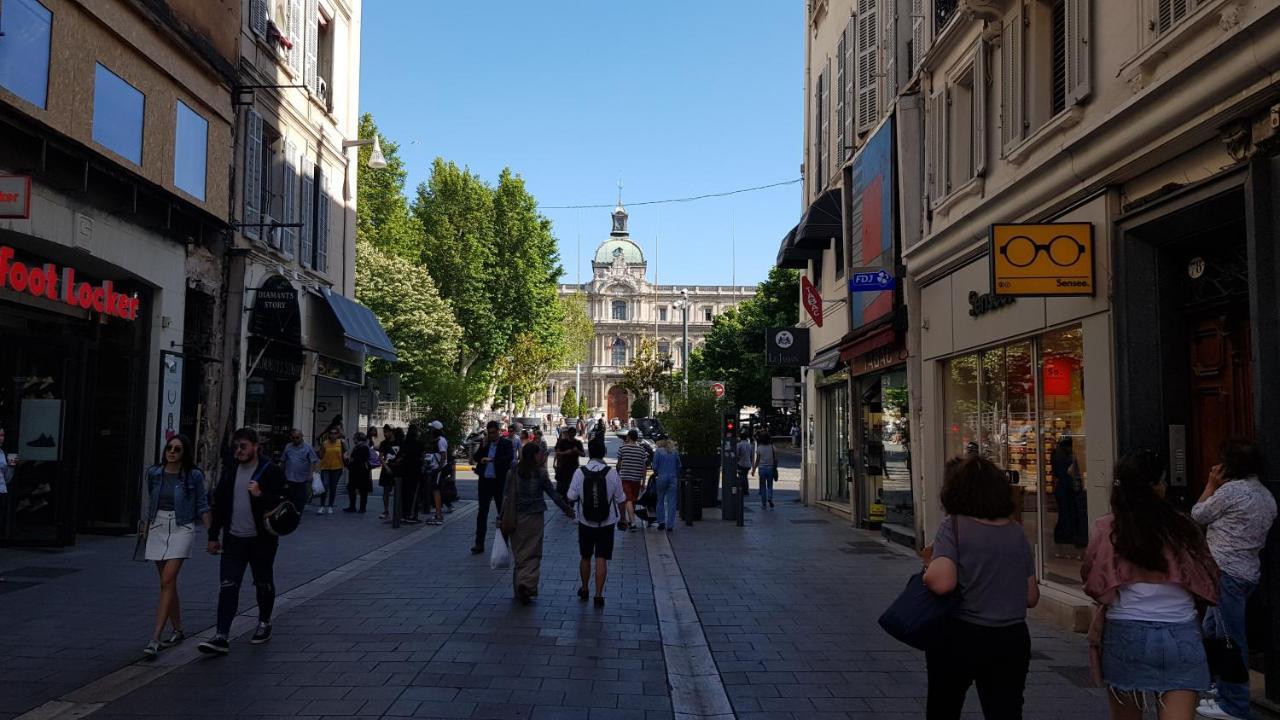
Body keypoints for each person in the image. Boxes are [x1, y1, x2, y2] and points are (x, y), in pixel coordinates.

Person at [1081, 449, 1219, 720]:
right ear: (1156, 486)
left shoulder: (1108, 528)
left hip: (1126, 630)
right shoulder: (1182, 528)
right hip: (1181, 631)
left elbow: (1094, 581)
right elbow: (1209, 578)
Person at [921, 456, 1039, 719]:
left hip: (961, 634)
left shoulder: (953, 527)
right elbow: (1031, 596)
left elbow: (942, 582)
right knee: (1006, 711)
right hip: (1011, 638)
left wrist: (929, 569)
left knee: (944, 708)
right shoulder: (1016, 532)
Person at [1193, 440, 1276, 720]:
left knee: (1230, 637)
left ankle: (1234, 704)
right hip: (1247, 572)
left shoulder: (1230, 492)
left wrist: (1210, 484)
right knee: (1214, 630)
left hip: (1225, 573)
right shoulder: (1265, 495)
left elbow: (1198, 513)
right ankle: (1220, 686)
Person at [199, 428, 288, 655]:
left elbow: (283, 504)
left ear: (255, 446)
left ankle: (264, 622)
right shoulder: (230, 471)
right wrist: (212, 536)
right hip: (234, 539)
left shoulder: (270, 471)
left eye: (243, 446)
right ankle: (221, 635)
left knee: (262, 582)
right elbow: (219, 505)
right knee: (228, 586)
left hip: (262, 539)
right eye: (236, 446)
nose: (238, 451)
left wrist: (260, 495)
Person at [140, 434, 210, 657]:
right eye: (169, 448)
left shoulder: (193, 476)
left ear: (184, 453)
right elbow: (151, 500)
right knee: (167, 584)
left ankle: (155, 638)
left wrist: (213, 535)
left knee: (167, 580)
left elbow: (202, 504)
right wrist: (147, 525)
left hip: (182, 527)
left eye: (177, 449)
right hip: (158, 525)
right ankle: (178, 629)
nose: (171, 452)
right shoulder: (154, 473)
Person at [507, 443, 574, 603]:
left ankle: (519, 586)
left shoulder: (514, 471)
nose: (542, 456)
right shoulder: (541, 473)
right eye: (540, 454)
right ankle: (526, 584)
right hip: (535, 516)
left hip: (516, 516)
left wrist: (502, 517)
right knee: (533, 551)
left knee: (519, 551)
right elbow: (554, 494)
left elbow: (506, 496)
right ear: (534, 455)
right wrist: (567, 509)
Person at [568, 438, 627, 606]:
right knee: (601, 557)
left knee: (585, 556)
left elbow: (571, 497)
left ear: (588, 453)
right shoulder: (612, 473)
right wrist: (623, 519)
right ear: (604, 453)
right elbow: (621, 499)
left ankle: (585, 588)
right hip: (607, 522)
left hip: (585, 522)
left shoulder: (580, 472)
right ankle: (599, 594)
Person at [472, 420, 515, 554]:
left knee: (502, 513)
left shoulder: (506, 444)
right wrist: (483, 446)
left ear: (498, 431)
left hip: (499, 482)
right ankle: (479, 543)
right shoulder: (485, 443)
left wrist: (491, 460)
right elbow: (476, 457)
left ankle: (503, 542)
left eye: (493, 433)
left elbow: (508, 458)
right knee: (482, 513)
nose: (491, 436)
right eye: (489, 433)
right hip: (485, 482)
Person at [1051, 438, 1086, 557]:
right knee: (1071, 513)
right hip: (1069, 488)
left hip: (1062, 488)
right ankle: (1069, 537)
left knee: (1064, 513)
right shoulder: (1070, 458)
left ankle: (1063, 537)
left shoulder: (1056, 456)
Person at [616, 429, 649, 531]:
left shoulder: (622, 448)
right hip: (636, 478)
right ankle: (631, 521)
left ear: (628, 437)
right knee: (632, 500)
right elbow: (644, 467)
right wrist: (643, 482)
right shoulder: (642, 450)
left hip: (625, 477)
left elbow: (618, 464)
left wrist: (618, 472)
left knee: (628, 499)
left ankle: (632, 522)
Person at [281, 428, 319, 513]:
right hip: (289, 477)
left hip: (302, 478)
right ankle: (291, 512)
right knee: (290, 496)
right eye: (293, 438)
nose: (295, 439)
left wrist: (311, 474)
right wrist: (281, 473)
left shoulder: (308, 447)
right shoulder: (288, 446)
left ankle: (298, 513)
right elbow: (283, 460)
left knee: (300, 497)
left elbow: (313, 461)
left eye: (297, 437)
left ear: (302, 437)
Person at [395, 424, 425, 524]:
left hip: (405, 471)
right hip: (415, 471)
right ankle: (411, 515)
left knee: (405, 493)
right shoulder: (419, 443)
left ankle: (404, 514)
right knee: (414, 493)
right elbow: (423, 457)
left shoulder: (405, 443)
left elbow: (400, 457)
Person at [651, 437, 681, 532]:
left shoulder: (658, 452)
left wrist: (657, 472)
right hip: (673, 478)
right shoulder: (674, 452)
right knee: (672, 502)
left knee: (660, 500)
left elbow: (654, 466)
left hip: (661, 477)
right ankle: (670, 525)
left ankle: (661, 522)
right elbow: (679, 465)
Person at [316, 426, 346, 515]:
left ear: (338, 434)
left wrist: (346, 456)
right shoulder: (325, 443)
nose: (333, 435)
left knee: (333, 487)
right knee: (324, 486)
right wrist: (317, 453)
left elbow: (346, 452)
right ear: (329, 434)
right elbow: (321, 456)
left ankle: (330, 506)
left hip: (337, 468)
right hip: (325, 468)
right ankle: (321, 506)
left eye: (335, 433)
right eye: (331, 433)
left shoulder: (341, 443)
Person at [423, 421, 447, 525]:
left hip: (438, 469)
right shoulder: (439, 439)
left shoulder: (440, 440)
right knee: (435, 490)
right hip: (436, 468)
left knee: (436, 490)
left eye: (432, 428)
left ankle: (439, 515)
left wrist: (439, 468)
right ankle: (438, 514)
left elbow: (443, 455)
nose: (430, 430)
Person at [344, 433, 372, 513]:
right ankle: (360, 508)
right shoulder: (363, 447)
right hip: (361, 472)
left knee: (357, 489)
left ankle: (355, 507)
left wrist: (348, 458)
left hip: (358, 472)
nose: (353, 440)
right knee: (361, 490)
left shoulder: (361, 448)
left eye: (354, 438)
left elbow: (356, 460)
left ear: (357, 439)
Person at [554, 427, 585, 498]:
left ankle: (571, 498)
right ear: (568, 433)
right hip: (563, 467)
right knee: (563, 486)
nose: (572, 435)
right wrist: (565, 453)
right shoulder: (562, 442)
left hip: (574, 466)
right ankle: (565, 498)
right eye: (570, 433)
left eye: (573, 433)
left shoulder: (577, 442)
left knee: (572, 484)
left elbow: (583, 454)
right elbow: (557, 453)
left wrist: (577, 451)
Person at [377, 427, 400, 521]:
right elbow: (381, 457)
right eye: (384, 432)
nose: (385, 434)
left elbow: (403, 455)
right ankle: (386, 510)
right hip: (386, 469)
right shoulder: (383, 443)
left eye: (386, 432)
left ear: (391, 432)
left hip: (397, 469)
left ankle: (397, 510)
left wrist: (398, 462)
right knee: (386, 491)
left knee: (397, 490)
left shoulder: (399, 442)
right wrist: (386, 467)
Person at [752, 430, 778, 510]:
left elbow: (757, 460)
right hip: (770, 468)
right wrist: (775, 467)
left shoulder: (759, 448)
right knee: (770, 485)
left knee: (762, 486)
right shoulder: (772, 447)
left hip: (762, 469)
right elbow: (776, 459)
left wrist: (754, 469)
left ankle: (763, 504)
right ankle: (770, 498)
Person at [735, 429, 754, 494]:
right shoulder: (750, 445)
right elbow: (752, 456)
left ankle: (743, 490)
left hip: (741, 463)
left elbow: (737, 455)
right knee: (745, 476)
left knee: (741, 477)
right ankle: (745, 490)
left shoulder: (739, 445)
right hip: (748, 464)